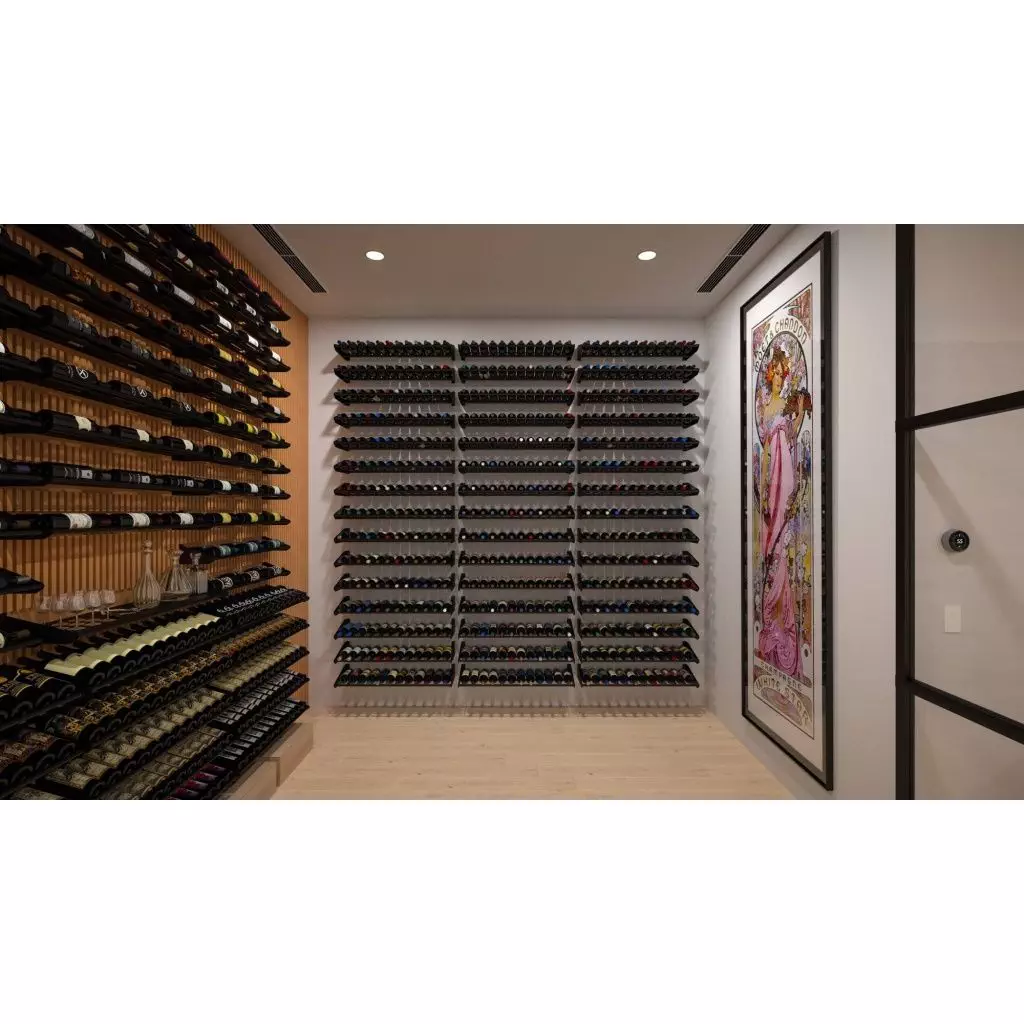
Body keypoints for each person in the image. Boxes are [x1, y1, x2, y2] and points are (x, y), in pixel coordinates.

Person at [756, 343, 810, 679]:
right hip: (770, 477)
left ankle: (782, 626)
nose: (777, 378)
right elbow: (764, 449)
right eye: (774, 373)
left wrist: (802, 412)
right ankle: (773, 625)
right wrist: (762, 487)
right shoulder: (767, 407)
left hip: (785, 474)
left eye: (780, 373)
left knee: (779, 548)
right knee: (772, 548)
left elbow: (790, 436)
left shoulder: (786, 409)